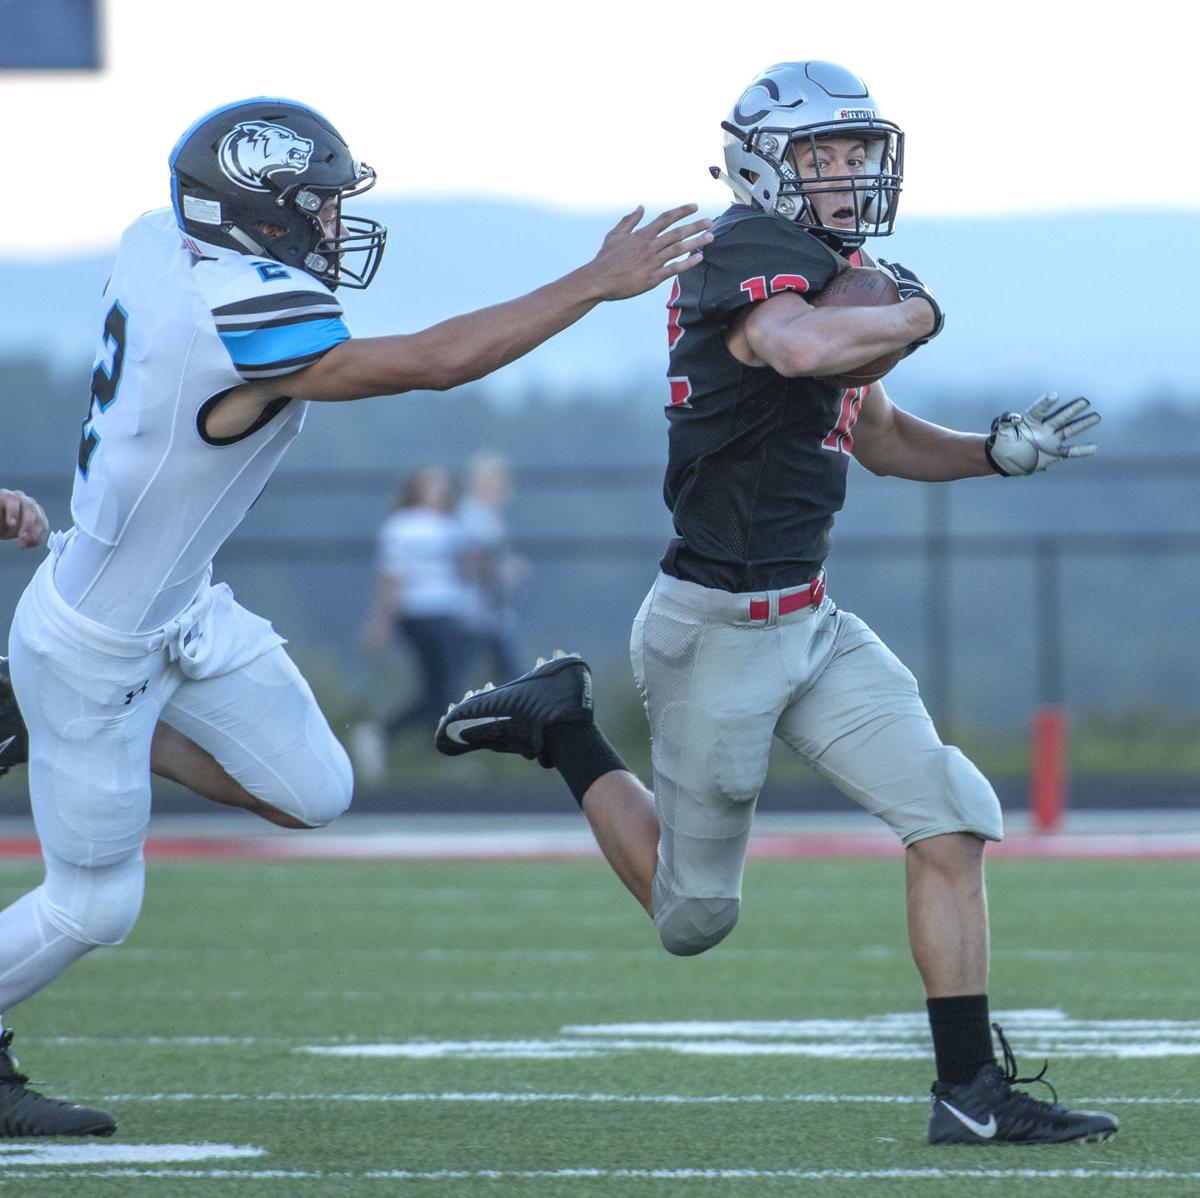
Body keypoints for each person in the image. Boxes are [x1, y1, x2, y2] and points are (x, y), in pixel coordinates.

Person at [0, 95, 711, 1138]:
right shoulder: (238, 319)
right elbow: (429, 363)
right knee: (95, 906)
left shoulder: (160, 238)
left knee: (319, 789)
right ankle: (57, 715)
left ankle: (38, 721)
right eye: (317, 207)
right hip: (98, 638)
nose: (334, 226)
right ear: (260, 213)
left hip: (179, 604)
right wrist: (593, 283)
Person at [436, 62, 1118, 1147]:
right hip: (713, 632)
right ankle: (559, 722)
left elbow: (882, 434)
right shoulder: (752, 254)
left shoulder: (834, 271)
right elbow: (799, 347)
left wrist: (993, 452)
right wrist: (922, 308)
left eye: (856, 152)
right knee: (691, 917)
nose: (847, 173)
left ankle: (967, 1092)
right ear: (764, 164)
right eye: (823, 155)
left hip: (813, 621)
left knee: (951, 816)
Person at [352, 465, 475, 779]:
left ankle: (411, 742)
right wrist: (380, 622)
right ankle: (391, 735)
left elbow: (466, 572)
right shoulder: (401, 526)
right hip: (419, 612)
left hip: (449, 611)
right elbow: (391, 579)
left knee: (443, 689)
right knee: (443, 689)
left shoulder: (450, 525)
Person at [457, 451, 525, 683]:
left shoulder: (487, 515)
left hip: (490, 613)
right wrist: (502, 571)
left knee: (502, 678)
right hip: (476, 613)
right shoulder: (474, 515)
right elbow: (472, 563)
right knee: (510, 678)